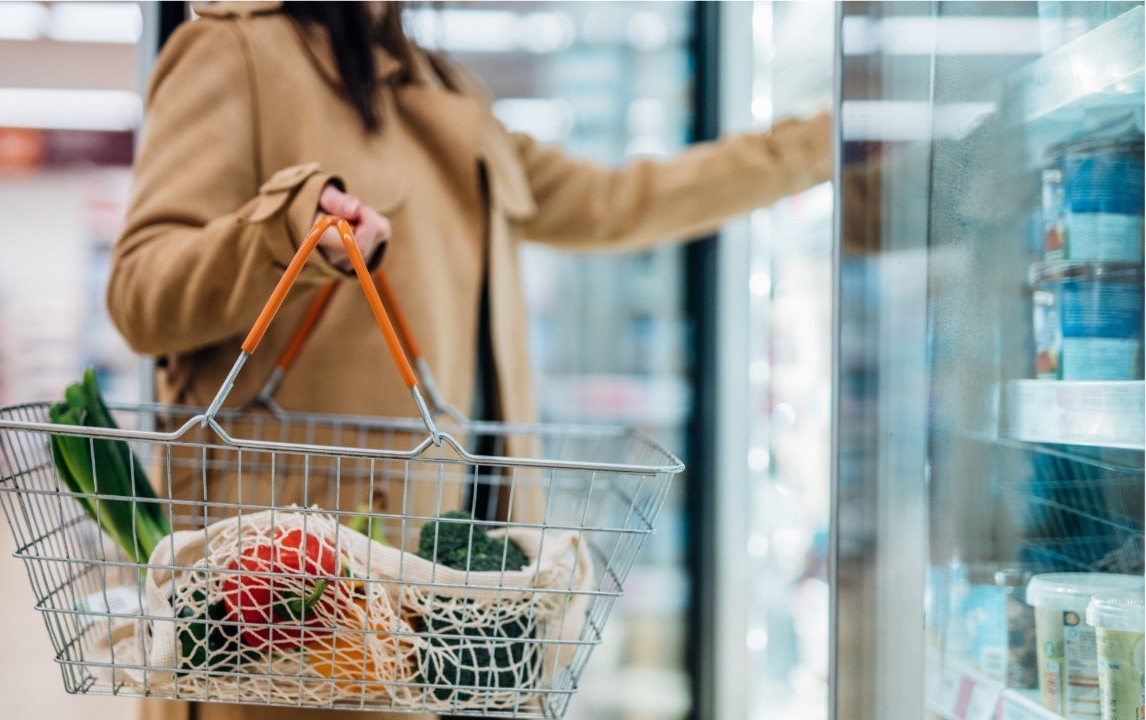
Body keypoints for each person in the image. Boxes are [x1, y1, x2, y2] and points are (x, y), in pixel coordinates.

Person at [108, 3, 830, 720]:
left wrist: (820, 145)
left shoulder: (442, 84)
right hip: (290, 610)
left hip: (464, 602)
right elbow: (141, 294)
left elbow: (614, 201)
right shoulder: (232, 52)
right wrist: (286, 228)